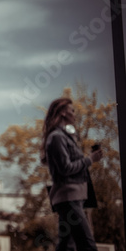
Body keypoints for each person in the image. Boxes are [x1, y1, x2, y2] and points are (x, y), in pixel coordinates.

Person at [41, 97, 103, 251]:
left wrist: (89, 158)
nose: (75, 114)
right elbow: (66, 168)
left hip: (75, 198)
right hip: (69, 199)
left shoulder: (65, 136)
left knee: (67, 247)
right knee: (87, 246)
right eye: (72, 110)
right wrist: (90, 159)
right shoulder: (56, 137)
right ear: (63, 112)